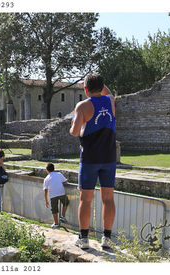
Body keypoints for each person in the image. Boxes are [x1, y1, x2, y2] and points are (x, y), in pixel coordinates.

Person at [70, 73, 116, 249]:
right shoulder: (110, 100)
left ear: (85, 89)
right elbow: (108, 92)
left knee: (86, 199)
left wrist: (76, 125)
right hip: (109, 158)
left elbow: (75, 132)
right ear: (102, 86)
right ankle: (107, 238)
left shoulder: (82, 106)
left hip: (90, 159)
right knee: (108, 199)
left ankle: (84, 239)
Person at [43, 163, 69, 229]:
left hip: (53, 195)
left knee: (54, 209)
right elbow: (66, 181)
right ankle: (62, 216)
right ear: (54, 168)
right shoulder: (59, 174)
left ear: (47, 170)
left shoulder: (46, 178)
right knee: (66, 202)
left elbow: (45, 190)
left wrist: (46, 200)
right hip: (61, 192)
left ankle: (56, 224)